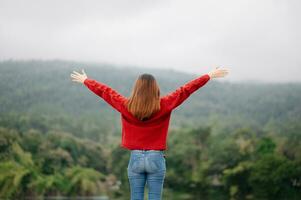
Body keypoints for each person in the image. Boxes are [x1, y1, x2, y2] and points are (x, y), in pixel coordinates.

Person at [70, 67, 229, 200]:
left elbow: (105, 92)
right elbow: (186, 90)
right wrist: (208, 76)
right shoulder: (164, 105)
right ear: (156, 89)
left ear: (136, 89)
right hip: (156, 158)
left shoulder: (126, 105)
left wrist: (86, 80)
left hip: (136, 158)